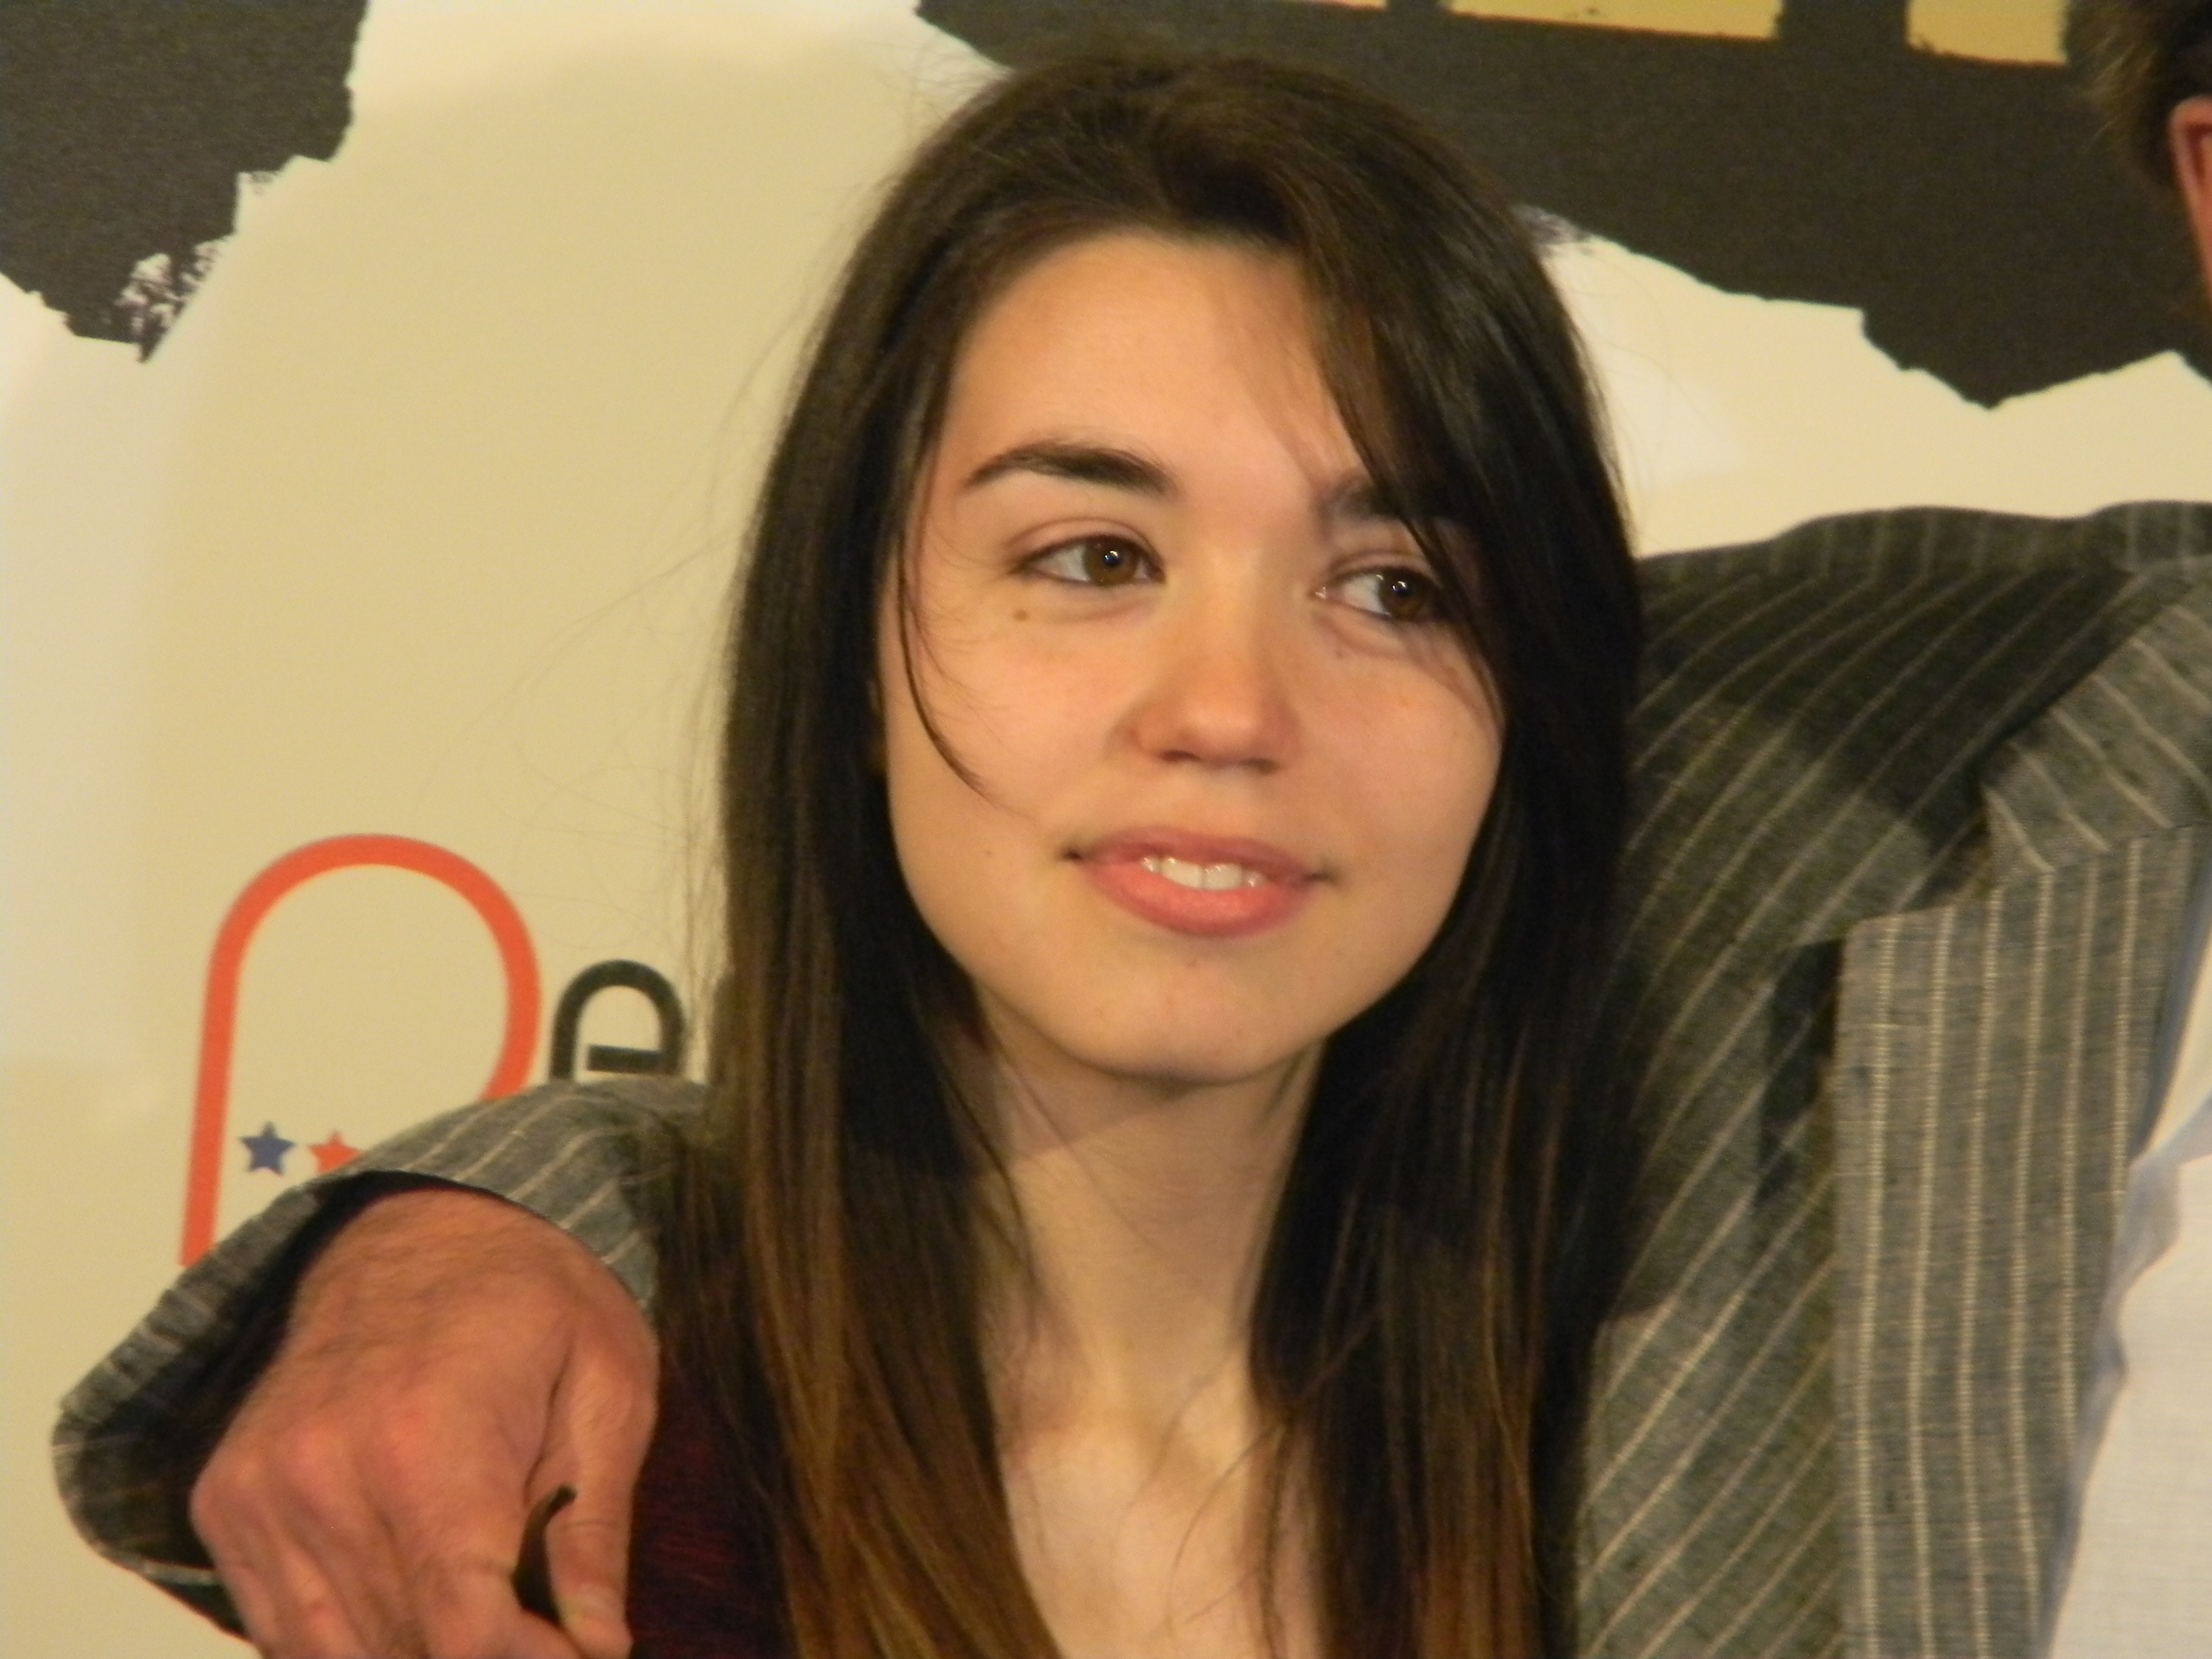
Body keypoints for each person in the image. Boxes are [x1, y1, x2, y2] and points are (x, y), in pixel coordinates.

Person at [54, 4, 2212, 1656]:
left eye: (1397, 588)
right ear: (850, 628)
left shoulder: (1551, 1458)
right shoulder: (604, 1535)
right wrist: (483, 1236)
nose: (1232, 708)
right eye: (1089, 557)